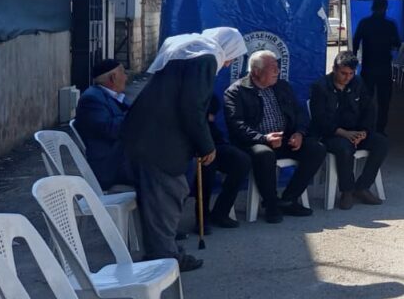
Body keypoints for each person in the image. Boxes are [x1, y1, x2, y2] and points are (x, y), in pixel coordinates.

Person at [121, 26, 247, 272]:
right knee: (167, 195)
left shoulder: (187, 53)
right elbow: (192, 107)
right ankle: (164, 259)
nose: (229, 62)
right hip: (160, 141)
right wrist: (206, 145)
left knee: (163, 197)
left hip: (148, 135)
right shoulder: (205, 58)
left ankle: (166, 251)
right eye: (232, 56)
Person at [224, 50, 327, 224]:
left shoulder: (282, 86)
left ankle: (288, 199)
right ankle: (271, 204)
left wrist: (299, 133)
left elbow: (299, 113)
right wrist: (264, 138)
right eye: (272, 68)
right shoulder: (236, 91)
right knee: (264, 154)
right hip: (254, 142)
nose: (277, 71)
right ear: (256, 71)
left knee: (316, 149)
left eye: (278, 67)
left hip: (284, 139)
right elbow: (237, 126)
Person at [310, 51, 390, 209]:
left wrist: (364, 132)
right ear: (334, 69)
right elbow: (320, 119)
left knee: (381, 143)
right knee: (344, 148)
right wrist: (344, 133)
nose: (347, 78)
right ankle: (347, 190)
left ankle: (362, 187)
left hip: (356, 131)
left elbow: (369, 109)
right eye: (343, 73)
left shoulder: (358, 83)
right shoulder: (320, 87)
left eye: (351, 74)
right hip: (332, 134)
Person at [74, 58, 135, 190]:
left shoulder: (115, 96)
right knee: (160, 171)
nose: (126, 77)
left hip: (122, 158)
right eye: (123, 73)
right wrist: (136, 113)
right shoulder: (91, 99)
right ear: (113, 77)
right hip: (110, 166)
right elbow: (110, 129)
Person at [194, 94, 250, 230]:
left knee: (242, 160)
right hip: (192, 144)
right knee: (207, 168)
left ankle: (221, 211)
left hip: (213, 140)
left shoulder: (206, 92)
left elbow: (212, 107)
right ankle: (202, 217)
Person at [352, 0, 402, 134]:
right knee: (384, 101)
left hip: (368, 66)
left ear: (373, 7)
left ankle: (365, 127)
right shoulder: (390, 25)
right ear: (385, 8)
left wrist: (353, 61)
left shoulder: (364, 23)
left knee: (365, 99)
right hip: (384, 67)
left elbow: (355, 42)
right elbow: (397, 44)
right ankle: (380, 129)